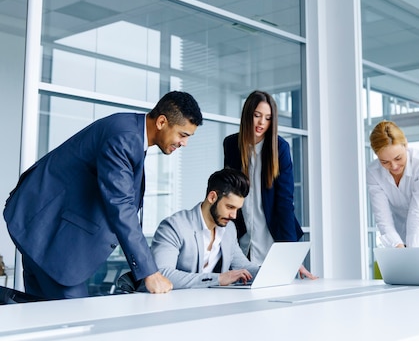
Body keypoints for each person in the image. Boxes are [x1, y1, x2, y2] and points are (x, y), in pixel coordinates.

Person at [4, 91, 203, 299]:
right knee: (72, 322)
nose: (184, 143)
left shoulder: (131, 132)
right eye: (183, 135)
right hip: (45, 231)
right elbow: (120, 204)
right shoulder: (124, 137)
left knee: (43, 316)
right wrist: (150, 272)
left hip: (42, 226)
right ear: (162, 122)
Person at [223, 90, 316, 280]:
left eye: (267, 118)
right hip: (242, 242)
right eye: (257, 116)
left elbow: (284, 203)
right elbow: (227, 191)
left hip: (272, 240)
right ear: (248, 114)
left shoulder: (279, 148)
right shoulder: (232, 144)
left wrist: (291, 255)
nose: (261, 123)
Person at [150, 168, 259, 288]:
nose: (234, 216)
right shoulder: (174, 227)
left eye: (237, 209)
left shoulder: (229, 230)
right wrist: (218, 279)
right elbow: (161, 274)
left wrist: (270, 272)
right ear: (212, 197)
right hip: (170, 303)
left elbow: (244, 267)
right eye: (230, 207)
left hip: (209, 302)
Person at [367, 121, 419, 261]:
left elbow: (417, 212)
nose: (394, 166)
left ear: (406, 145)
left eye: (398, 158)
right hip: (401, 239)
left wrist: (413, 256)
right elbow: (382, 217)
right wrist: (398, 247)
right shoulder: (374, 173)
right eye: (384, 162)